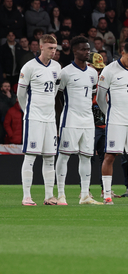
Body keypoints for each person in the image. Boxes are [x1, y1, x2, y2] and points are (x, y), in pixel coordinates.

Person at [54, 36, 103, 205]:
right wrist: (60, 118)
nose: (87, 52)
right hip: (70, 119)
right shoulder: (65, 72)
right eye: (83, 49)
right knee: (65, 155)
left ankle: (85, 195)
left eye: (88, 49)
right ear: (75, 51)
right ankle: (61, 194)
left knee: (86, 156)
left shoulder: (92, 73)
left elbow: (93, 95)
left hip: (88, 120)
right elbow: (57, 97)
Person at [97, 42, 128, 205]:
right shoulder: (109, 70)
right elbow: (100, 97)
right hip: (115, 120)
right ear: (122, 53)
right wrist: (109, 114)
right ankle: (106, 196)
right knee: (110, 155)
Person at [17, 34, 62, 206]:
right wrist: (27, 111)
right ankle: (26, 196)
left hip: (50, 119)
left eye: (55, 48)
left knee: (50, 158)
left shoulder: (57, 67)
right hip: (34, 118)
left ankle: (49, 196)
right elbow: (21, 94)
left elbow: (55, 90)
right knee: (30, 156)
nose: (53, 51)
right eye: (50, 48)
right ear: (41, 47)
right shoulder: (29, 67)